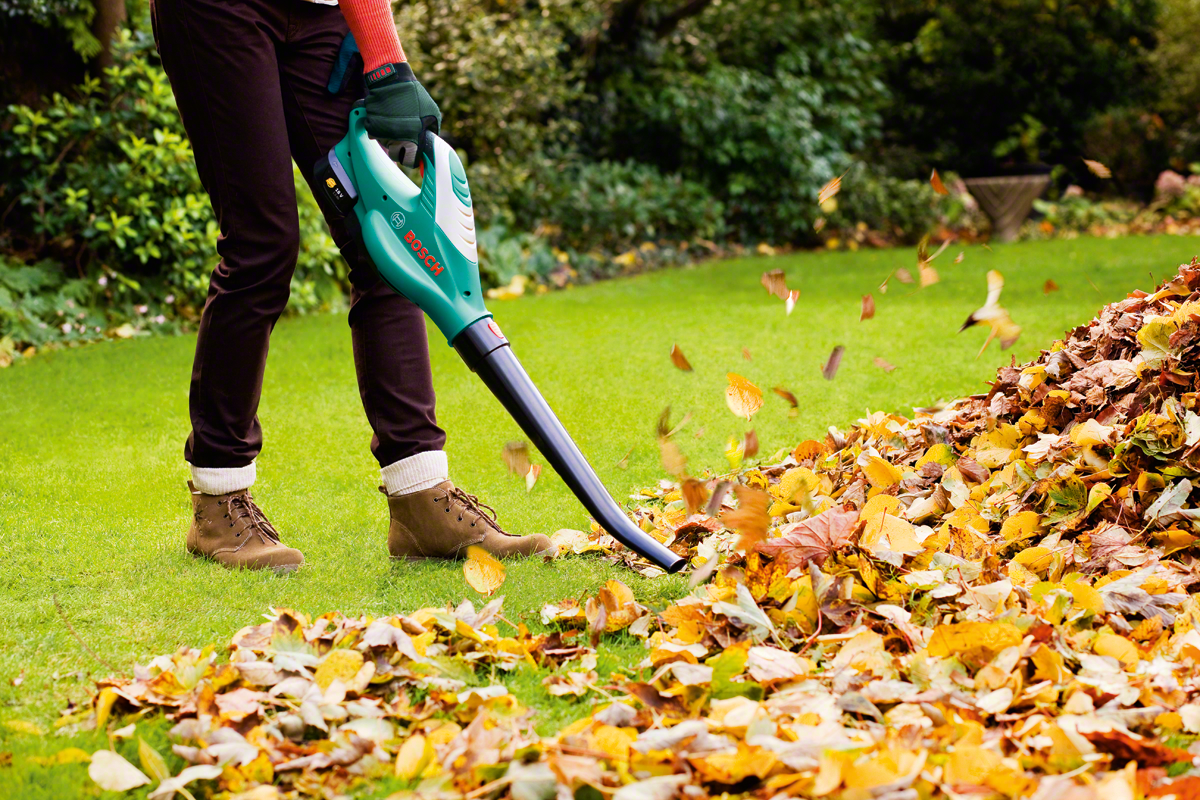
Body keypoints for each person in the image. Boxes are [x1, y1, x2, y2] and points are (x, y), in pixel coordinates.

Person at [149, 0, 553, 571]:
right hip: (219, 11)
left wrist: (389, 67)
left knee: (389, 243)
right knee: (260, 245)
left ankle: (420, 497)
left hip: (317, 13)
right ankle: (218, 503)